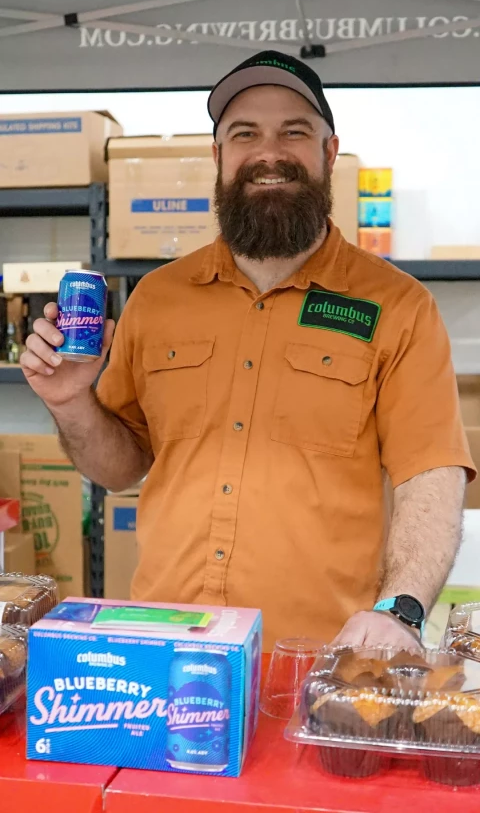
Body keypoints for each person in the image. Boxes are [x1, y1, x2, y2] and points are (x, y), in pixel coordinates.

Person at [21, 50, 476, 652]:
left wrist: (401, 610)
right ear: (218, 157)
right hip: (164, 652)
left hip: (313, 661)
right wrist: (73, 402)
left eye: (294, 131)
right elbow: (121, 467)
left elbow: (431, 473)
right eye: (245, 134)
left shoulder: (398, 307)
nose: (270, 152)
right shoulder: (158, 299)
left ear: (328, 153)